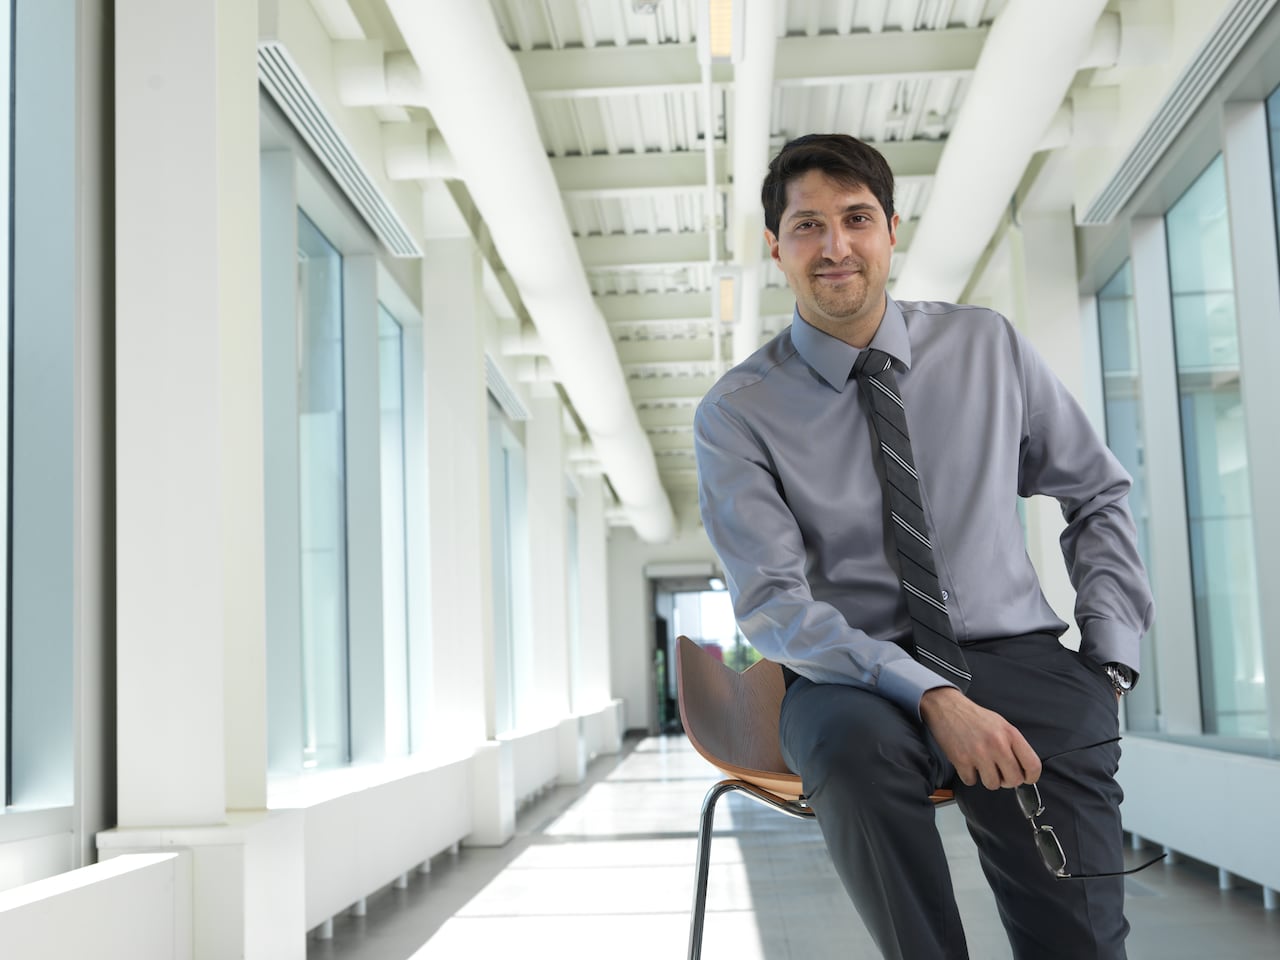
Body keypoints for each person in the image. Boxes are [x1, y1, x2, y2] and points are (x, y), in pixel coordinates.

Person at [693, 133, 1155, 960]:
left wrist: (1111, 657)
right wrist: (933, 695)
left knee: (1080, 944)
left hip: (1014, 652)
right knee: (849, 749)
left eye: (855, 219)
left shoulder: (987, 347)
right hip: (849, 671)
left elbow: (1096, 492)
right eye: (807, 226)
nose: (835, 246)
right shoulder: (738, 412)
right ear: (775, 247)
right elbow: (773, 604)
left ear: (890, 230)